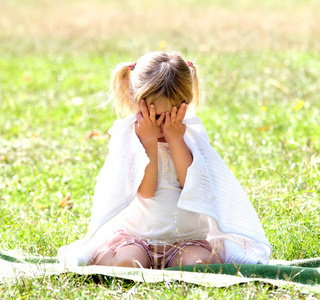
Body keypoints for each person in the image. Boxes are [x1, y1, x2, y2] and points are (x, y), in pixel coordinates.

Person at [58, 51, 272, 269]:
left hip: (186, 242)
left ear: (185, 106)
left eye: (170, 116)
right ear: (133, 102)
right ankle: (99, 256)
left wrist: (176, 139)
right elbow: (146, 191)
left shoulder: (190, 139)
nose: (162, 125)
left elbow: (193, 186)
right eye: (155, 117)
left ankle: (172, 266)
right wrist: (148, 142)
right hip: (138, 240)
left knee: (202, 264)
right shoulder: (132, 141)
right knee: (126, 262)